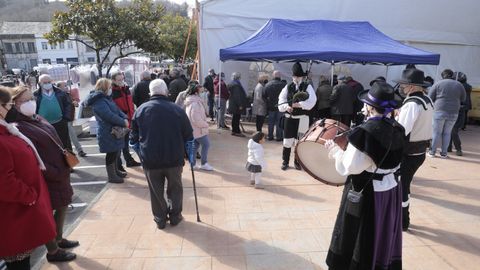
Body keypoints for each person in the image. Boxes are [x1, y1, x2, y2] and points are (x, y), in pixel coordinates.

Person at [324, 82, 405, 270]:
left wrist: (336, 151)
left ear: (369, 107)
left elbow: (351, 167)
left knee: (359, 234)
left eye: (366, 103)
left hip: (368, 194)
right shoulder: (397, 127)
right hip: (391, 190)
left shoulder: (366, 132)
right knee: (383, 232)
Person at [9, 86, 78, 262]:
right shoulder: (19, 127)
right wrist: (51, 170)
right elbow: (31, 154)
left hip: (59, 171)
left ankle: (59, 238)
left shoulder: (36, 118)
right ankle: (53, 251)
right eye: (25, 100)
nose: (31, 102)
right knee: (45, 215)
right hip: (48, 175)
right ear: (14, 104)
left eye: (31, 98)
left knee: (63, 204)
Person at [0, 86, 57, 270]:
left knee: (22, 262)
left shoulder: (8, 130)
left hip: (20, 212)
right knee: (18, 265)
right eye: (8, 104)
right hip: (14, 214)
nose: (10, 109)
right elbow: (4, 182)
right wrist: (29, 195)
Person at [130, 79, 194, 229]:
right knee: (176, 189)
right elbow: (189, 137)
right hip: (174, 159)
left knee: (155, 191)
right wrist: (191, 157)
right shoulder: (177, 110)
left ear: (150, 93)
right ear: (166, 92)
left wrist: (141, 155)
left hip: (150, 160)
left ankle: (160, 218)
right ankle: (175, 216)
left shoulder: (140, 110)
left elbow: (133, 140)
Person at [394, 69, 434, 231]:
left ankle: (403, 220)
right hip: (419, 151)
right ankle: (402, 218)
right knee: (404, 184)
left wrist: (394, 119)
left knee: (402, 186)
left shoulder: (411, 104)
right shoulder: (427, 100)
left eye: (404, 84)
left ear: (411, 86)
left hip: (408, 152)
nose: (401, 87)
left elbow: (401, 129)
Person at [85, 78, 129, 183]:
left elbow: (116, 110)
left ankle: (116, 171)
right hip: (107, 131)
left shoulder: (106, 98)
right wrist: (122, 122)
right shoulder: (99, 100)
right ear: (104, 88)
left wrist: (124, 117)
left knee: (115, 152)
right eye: (109, 87)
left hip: (113, 130)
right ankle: (112, 176)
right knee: (111, 153)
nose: (111, 89)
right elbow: (108, 115)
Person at [278, 62, 316, 170]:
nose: (296, 78)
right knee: (287, 141)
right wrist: (286, 107)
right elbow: (281, 99)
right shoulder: (288, 86)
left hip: (302, 119)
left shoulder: (307, 86)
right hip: (289, 118)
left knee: (299, 142)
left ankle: (297, 162)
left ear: (302, 77)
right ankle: (285, 161)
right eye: (295, 76)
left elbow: (313, 100)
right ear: (292, 76)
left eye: (299, 76)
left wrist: (300, 104)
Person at [428, 69, 466, 158]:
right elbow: (463, 98)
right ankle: (444, 153)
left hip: (439, 110)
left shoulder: (438, 84)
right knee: (447, 133)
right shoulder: (459, 85)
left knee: (436, 132)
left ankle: (432, 152)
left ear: (442, 76)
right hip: (454, 112)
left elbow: (430, 97)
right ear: (452, 75)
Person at [34, 74, 73, 151]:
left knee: (64, 145)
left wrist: (66, 118)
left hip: (60, 123)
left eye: (49, 82)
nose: (47, 84)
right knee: (49, 147)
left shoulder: (60, 92)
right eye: (45, 82)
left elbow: (68, 105)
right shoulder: (35, 94)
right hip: (43, 125)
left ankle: (67, 161)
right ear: (40, 83)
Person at [110, 71, 141, 168]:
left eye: (122, 79)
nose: (121, 81)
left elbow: (130, 103)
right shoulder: (112, 91)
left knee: (126, 141)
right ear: (113, 80)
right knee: (119, 143)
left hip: (128, 118)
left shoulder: (125, 89)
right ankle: (119, 164)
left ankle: (128, 160)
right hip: (120, 120)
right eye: (119, 80)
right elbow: (114, 107)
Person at [185, 81, 214, 171]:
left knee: (195, 146)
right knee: (206, 144)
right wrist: (206, 124)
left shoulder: (193, 101)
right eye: (200, 91)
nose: (202, 92)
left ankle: (192, 164)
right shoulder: (194, 103)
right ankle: (204, 163)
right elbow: (196, 119)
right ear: (196, 92)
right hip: (198, 129)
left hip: (195, 129)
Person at [57, 81, 86, 157]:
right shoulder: (58, 96)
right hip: (64, 119)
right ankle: (79, 150)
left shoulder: (68, 94)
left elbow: (73, 103)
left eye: (66, 85)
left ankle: (73, 152)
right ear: (59, 87)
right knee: (71, 134)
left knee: (69, 135)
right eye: (64, 86)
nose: (66, 87)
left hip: (70, 117)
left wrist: (75, 103)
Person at [264, 70, 286, 141]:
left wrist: (268, 102)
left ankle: (270, 136)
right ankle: (279, 137)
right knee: (279, 122)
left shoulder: (268, 85)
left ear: (273, 76)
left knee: (271, 122)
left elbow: (264, 95)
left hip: (271, 106)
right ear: (280, 76)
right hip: (280, 106)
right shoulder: (284, 85)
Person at [228, 72, 249, 137]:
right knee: (236, 118)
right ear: (238, 77)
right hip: (236, 105)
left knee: (235, 118)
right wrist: (240, 105)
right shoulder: (236, 85)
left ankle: (234, 131)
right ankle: (236, 131)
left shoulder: (232, 83)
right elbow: (238, 96)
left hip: (233, 103)